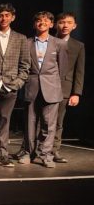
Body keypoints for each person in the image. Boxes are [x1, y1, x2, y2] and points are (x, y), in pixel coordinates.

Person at [0, 4, 30, 167]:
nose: (3, 18)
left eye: (7, 15)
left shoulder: (21, 38)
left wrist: (17, 84)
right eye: (0, 15)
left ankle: (3, 153)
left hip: (11, 86)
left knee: (5, 120)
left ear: (13, 17)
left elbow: (25, 66)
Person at [18, 11, 67, 168]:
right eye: (38, 20)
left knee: (49, 124)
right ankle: (28, 152)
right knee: (29, 123)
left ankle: (46, 154)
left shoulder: (59, 44)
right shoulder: (26, 42)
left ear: (51, 24)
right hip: (31, 87)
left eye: (46, 21)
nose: (42, 23)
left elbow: (63, 69)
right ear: (34, 24)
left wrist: (54, 85)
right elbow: (22, 66)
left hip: (51, 88)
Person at [53, 12, 84, 163]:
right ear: (55, 24)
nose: (65, 25)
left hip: (64, 88)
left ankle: (54, 150)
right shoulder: (48, 40)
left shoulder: (78, 46)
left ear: (74, 26)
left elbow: (79, 71)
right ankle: (31, 149)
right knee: (36, 120)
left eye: (69, 22)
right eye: (62, 22)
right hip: (44, 85)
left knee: (58, 122)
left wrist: (76, 93)